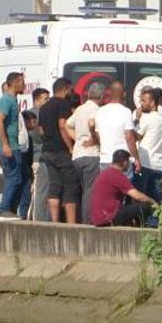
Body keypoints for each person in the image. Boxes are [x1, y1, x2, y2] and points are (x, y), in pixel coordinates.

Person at [39, 78, 80, 224]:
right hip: (61, 150)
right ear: (66, 89)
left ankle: (55, 223)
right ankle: (71, 224)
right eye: (71, 89)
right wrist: (70, 147)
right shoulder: (63, 104)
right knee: (70, 186)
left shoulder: (43, 107)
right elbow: (63, 125)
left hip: (47, 151)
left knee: (54, 186)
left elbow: (41, 130)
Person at [91, 150, 155, 227]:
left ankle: (131, 225)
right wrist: (153, 201)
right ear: (125, 163)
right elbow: (137, 196)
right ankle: (141, 228)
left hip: (99, 218)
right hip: (109, 217)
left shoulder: (105, 173)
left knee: (130, 202)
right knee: (146, 207)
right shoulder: (117, 174)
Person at [68, 82, 103, 222]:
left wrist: (77, 139)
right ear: (101, 96)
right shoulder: (98, 111)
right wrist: (95, 139)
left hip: (77, 155)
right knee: (90, 190)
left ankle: (80, 219)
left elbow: (67, 125)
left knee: (81, 190)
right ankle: (87, 221)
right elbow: (93, 126)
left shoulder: (80, 109)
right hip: (92, 155)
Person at [0, 71, 28, 219]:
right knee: (14, 178)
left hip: (13, 145)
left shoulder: (12, 100)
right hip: (9, 147)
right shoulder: (6, 100)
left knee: (16, 178)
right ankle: (4, 209)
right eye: (22, 82)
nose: (24, 85)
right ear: (14, 83)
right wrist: (5, 145)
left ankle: (9, 209)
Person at [93, 81, 141, 176]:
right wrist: (136, 158)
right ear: (124, 94)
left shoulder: (99, 111)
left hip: (105, 159)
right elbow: (129, 137)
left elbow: (98, 136)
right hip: (122, 161)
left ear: (110, 93)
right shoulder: (126, 112)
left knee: (108, 185)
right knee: (124, 185)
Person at [133, 88, 162, 202]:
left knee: (141, 199)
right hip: (159, 165)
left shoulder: (147, 118)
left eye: (144, 101)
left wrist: (137, 119)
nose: (141, 104)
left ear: (152, 102)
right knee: (157, 201)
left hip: (145, 163)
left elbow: (135, 137)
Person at [28, 88, 52, 221]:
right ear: (37, 100)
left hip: (37, 157)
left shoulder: (38, 114)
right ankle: (39, 220)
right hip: (37, 157)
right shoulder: (35, 116)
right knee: (39, 192)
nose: (48, 101)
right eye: (45, 99)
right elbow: (37, 137)